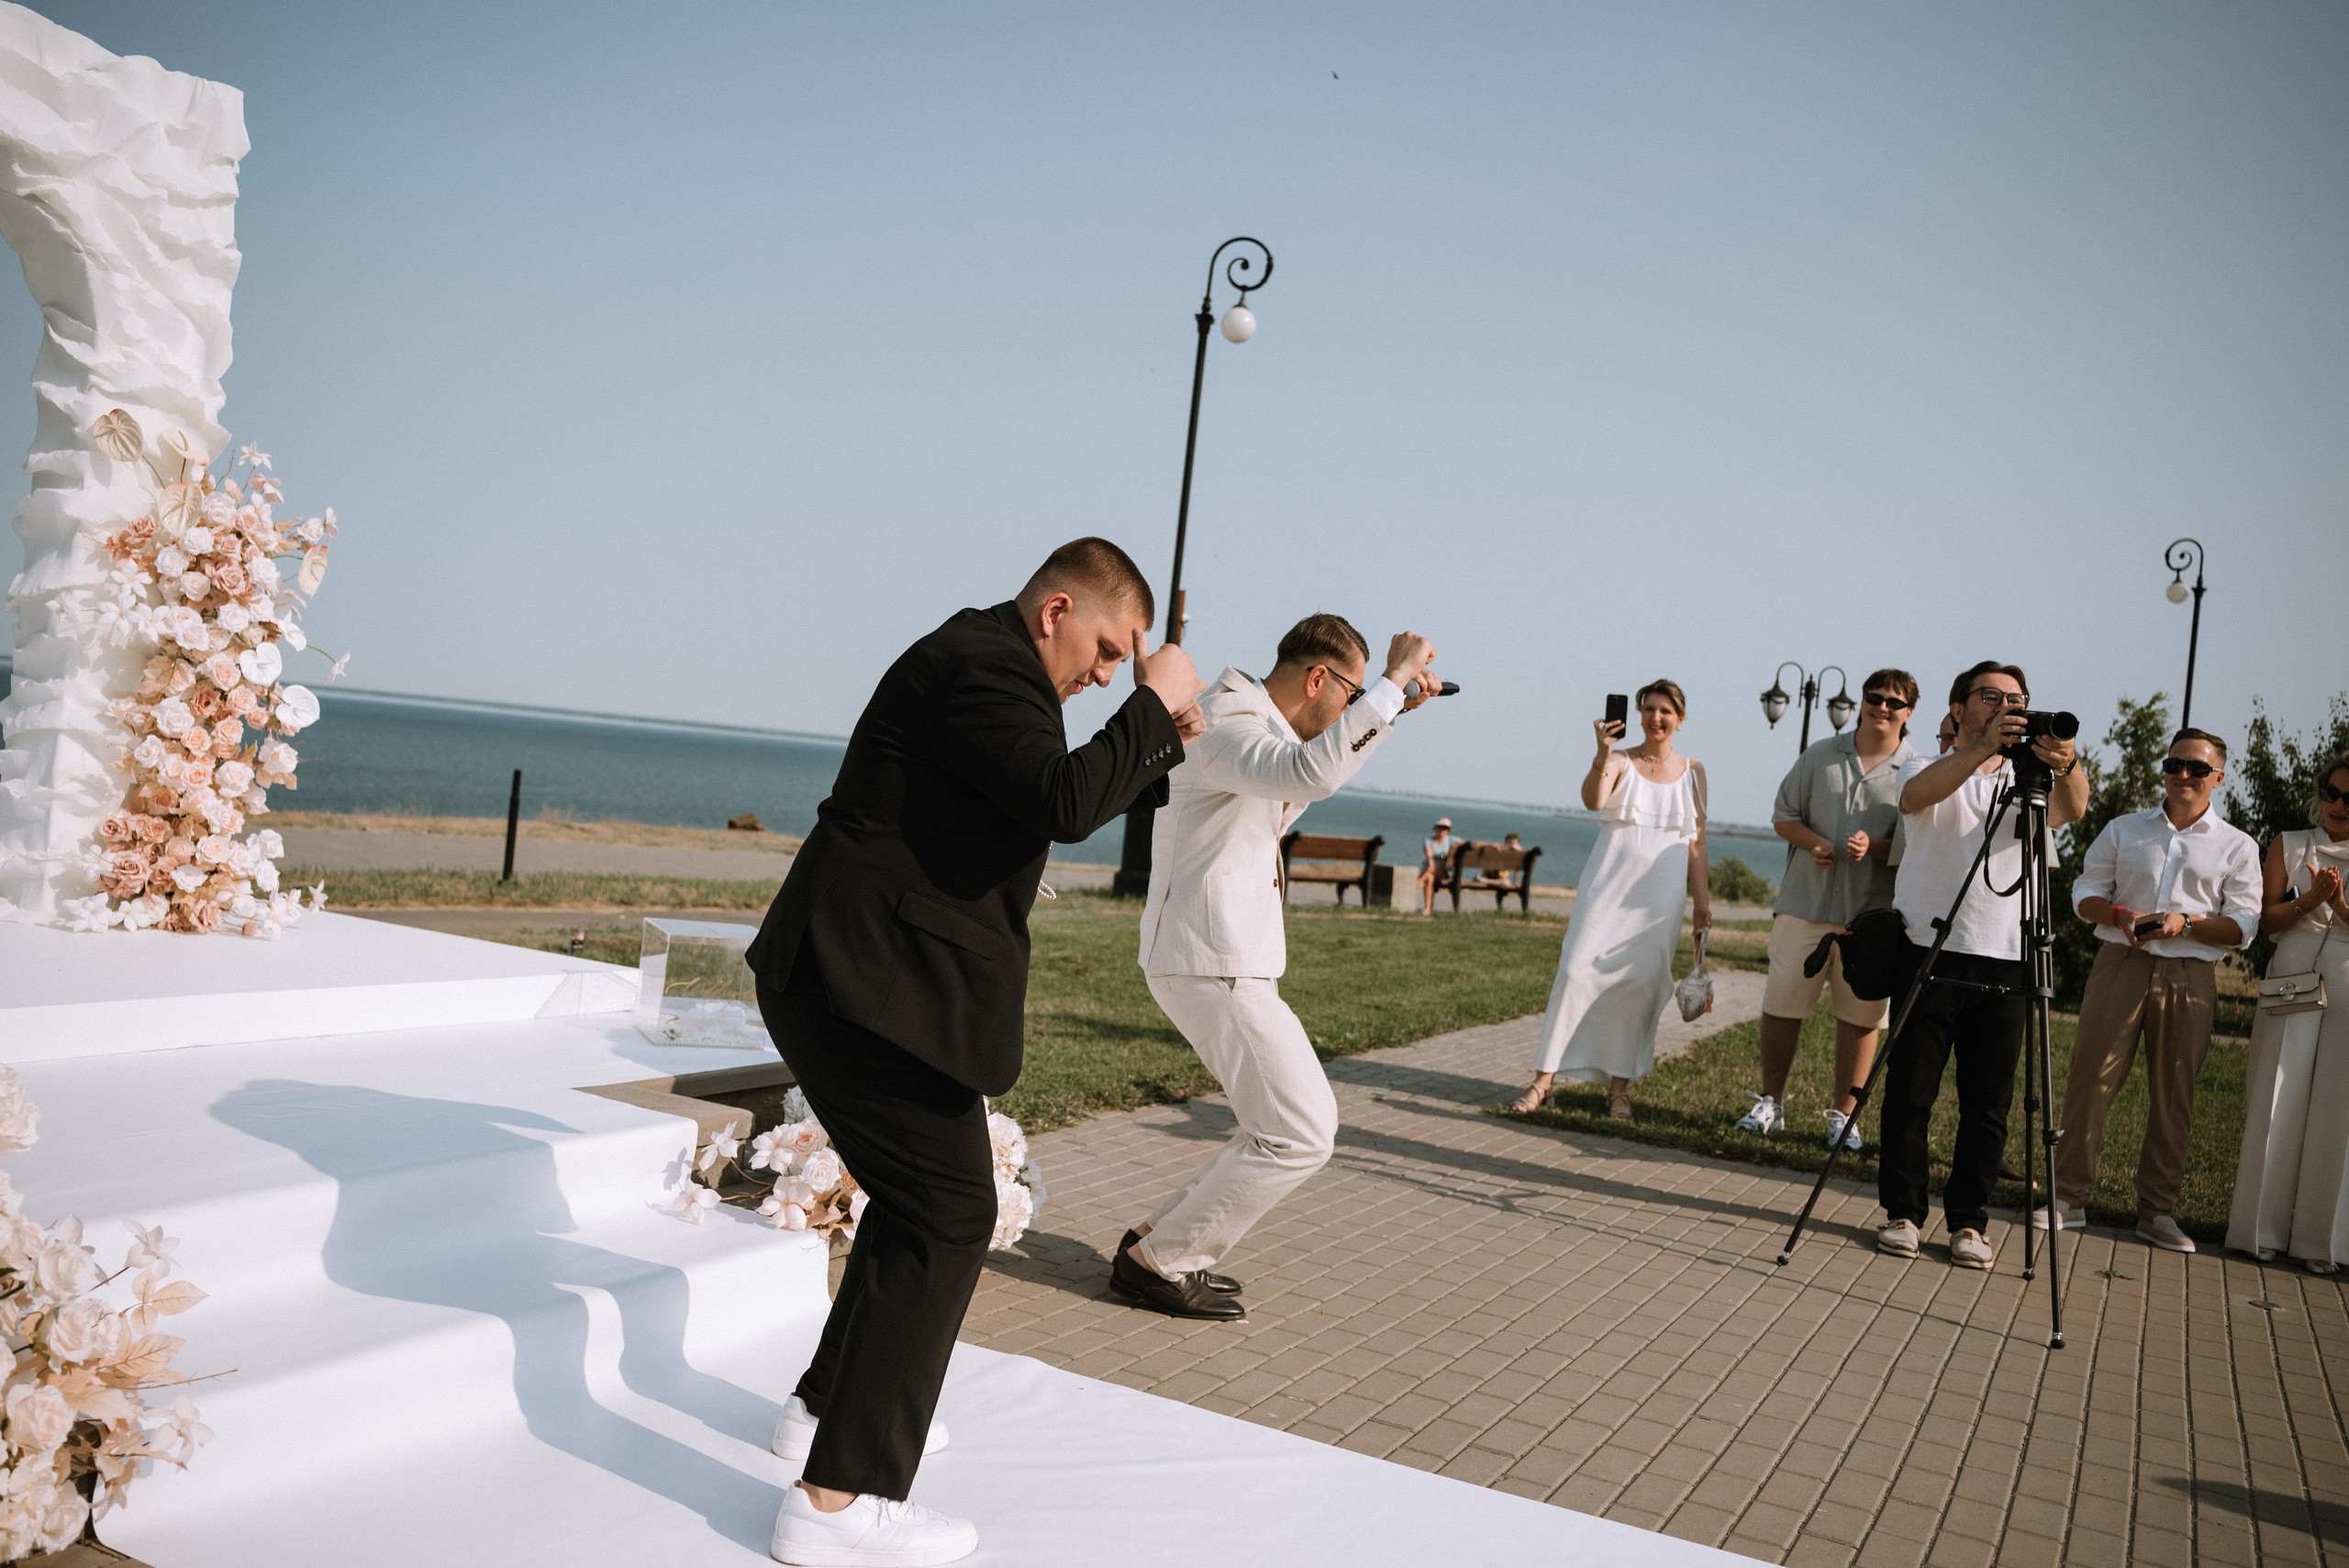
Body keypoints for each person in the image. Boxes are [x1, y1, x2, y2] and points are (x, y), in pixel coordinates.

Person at [745, 538, 1204, 1566]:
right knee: (950, 1208)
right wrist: (1152, 699)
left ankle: (821, 1412)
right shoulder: (983, 666)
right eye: (1106, 648)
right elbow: (1063, 801)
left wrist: (1156, 730)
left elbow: (1046, 791)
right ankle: (834, 1502)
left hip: (867, 979)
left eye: (1123, 662)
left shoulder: (990, 668)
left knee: (924, 1202)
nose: (1107, 673)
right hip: (854, 980)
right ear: (1056, 609)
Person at [1116, 614, 1440, 1319]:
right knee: (1301, 1129)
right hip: (1211, 959)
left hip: (1222, 957)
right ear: (1318, 678)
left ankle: (1155, 1242)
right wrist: (1390, 683)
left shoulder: (1256, 727)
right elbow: (1311, 772)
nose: (1351, 709)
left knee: (1273, 1121)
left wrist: (1391, 707)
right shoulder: (1229, 720)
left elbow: (1305, 776)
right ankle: (1162, 1261)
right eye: (1351, 694)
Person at [1875, 662, 2087, 1272]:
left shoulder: (2032, 778)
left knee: (1988, 1103)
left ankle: (1970, 1221)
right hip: (1929, 946)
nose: (2005, 706)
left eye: (2016, 699)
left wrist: (2066, 760)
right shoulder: (1927, 762)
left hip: (2009, 954)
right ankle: (1903, 1213)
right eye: (1991, 695)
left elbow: (2073, 809)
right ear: (1959, 707)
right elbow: (1916, 797)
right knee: (1911, 1091)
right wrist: (1983, 748)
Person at [2048, 729, 2260, 1252]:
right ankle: (2067, 1198)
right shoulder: (2124, 829)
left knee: (2174, 1096)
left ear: (2218, 777)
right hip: (2120, 963)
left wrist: (2186, 922)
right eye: (2174, 764)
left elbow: (2243, 925)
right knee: (2089, 1081)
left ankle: (2157, 1212)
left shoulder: (2237, 845)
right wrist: (2119, 914)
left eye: (2197, 768)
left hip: (2190, 973)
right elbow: (2084, 893)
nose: (2183, 775)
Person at [1512, 679, 1709, 1122]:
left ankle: (1619, 1090)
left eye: (1665, 711)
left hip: (1659, 901)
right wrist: (1602, 752)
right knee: (1574, 973)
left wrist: (1702, 905)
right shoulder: (1620, 761)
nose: (1655, 718)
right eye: (1648, 709)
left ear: (1680, 719)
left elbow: (1697, 843)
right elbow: (1592, 800)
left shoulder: (1694, 772)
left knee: (1637, 989)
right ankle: (1543, 1080)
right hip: (1607, 890)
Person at [1738, 670, 1919, 1151]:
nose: (1882, 707)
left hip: (1873, 916)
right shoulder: (1819, 755)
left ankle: (1844, 1117)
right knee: (1782, 1004)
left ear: (1909, 713)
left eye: (1894, 702)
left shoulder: (1916, 770)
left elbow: (1918, 845)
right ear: (1862, 702)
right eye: (1874, 697)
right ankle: (1770, 1104)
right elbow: (1783, 815)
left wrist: (1875, 846)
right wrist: (1815, 843)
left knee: (1862, 1017)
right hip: (1805, 903)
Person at [2228, 751, 2349, 1273]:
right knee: (2276, 1096)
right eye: (2331, 793)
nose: (2338, 805)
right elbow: (2265, 921)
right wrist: (2311, 900)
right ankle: (2259, 1232)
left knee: (2338, 1111)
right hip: (2291, 978)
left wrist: (2340, 908)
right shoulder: (2290, 844)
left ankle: (2323, 1246)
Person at [1419, 817, 1457, 915]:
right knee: (1430, 878)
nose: (1441, 830)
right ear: (1435, 828)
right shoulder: (1428, 840)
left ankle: (1417, 883)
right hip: (1431, 869)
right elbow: (1428, 852)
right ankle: (1427, 909)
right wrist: (1430, 861)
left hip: (1444, 872)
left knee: (1431, 869)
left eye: (1445, 828)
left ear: (1448, 830)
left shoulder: (1451, 840)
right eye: (1439, 827)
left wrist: (1487, 845)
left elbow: (1469, 844)